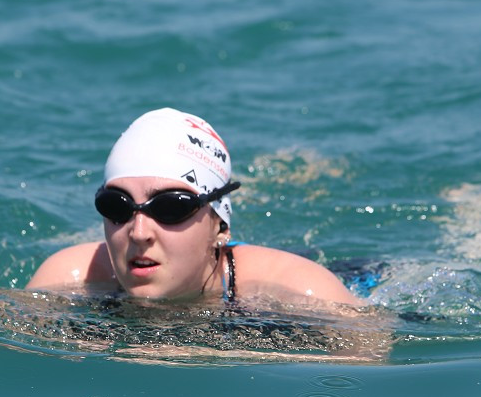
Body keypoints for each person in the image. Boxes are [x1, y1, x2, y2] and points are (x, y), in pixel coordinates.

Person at [26, 107, 369, 309]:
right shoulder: (69, 276)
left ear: (220, 225)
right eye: (117, 205)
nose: (139, 232)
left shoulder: (300, 289)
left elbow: (370, 355)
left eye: (171, 209)